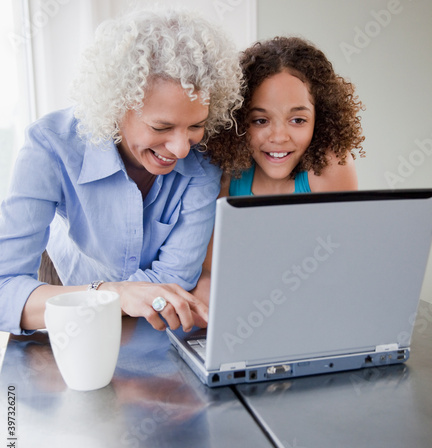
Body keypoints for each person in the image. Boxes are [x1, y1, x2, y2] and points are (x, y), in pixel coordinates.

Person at [0, 6, 243, 335]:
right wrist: (114, 294)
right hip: (67, 293)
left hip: (144, 327)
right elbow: (4, 292)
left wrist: (123, 297)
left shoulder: (202, 158)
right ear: (116, 106)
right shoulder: (50, 145)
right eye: (161, 126)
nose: (182, 148)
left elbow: (175, 278)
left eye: (196, 125)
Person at [193, 36, 365, 302]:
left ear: (320, 119)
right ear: (239, 122)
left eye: (298, 120)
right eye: (260, 120)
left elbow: (343, 267)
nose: (279, 136)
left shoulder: (330, 167)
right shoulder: (228, 175)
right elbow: (209, 273)